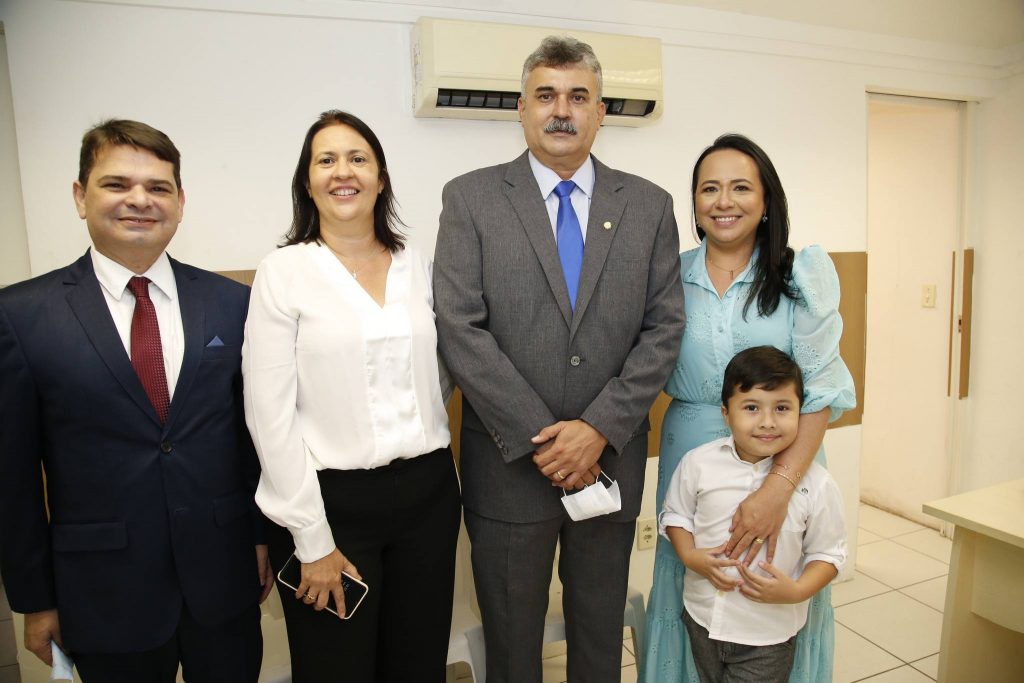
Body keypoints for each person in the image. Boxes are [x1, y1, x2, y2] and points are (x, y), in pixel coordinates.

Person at [433, 35, 686, 683]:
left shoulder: (650, 206)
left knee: (599, 634)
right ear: (521, 108)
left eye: (578, 96)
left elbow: (664, 327)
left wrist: (598, 429)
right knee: (512, 643)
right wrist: (545, 439)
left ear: (601, 111)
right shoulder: (471, 199)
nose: (561, 110)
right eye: (546, 95)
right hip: (509, 464)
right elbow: (461, 328)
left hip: (611, 462)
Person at [0, 119, 270, 682]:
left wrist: (262, 539)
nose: (139, 200)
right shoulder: (21, 316)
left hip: (223, 583)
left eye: (159, 187)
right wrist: (34, 599)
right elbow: (13, 476)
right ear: (80, 196)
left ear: (180, 201)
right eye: (117, 184)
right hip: (101, 592)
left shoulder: (233, 304)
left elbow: (253, 437)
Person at [242, 110, 460, 682]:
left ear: (381, 177)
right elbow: (269, 414)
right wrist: (311, 540)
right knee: (336, 668)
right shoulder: (283, 272)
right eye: (327, 160)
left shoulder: (419, 264)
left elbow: (439, 374)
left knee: (418, 665)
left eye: (358, 158)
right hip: (330, 506)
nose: (345, 172)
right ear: (307, 181)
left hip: (428, 494)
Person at [640, 133, 856, 682]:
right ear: (693, 202)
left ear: (766, 201)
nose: (723, 201)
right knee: (696, 585)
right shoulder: (665, 275)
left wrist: (778, 488)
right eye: (709, 188)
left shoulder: (798, 276)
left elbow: (822, 393)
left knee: (769, 584)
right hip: (689, 448)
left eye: (740, 187)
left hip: (784, 455)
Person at [661, 346, 847, 683]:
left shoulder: (817, 484)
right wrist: (689, 556)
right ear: (725, 413)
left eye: (782, 408)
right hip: (702, 617)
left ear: (799, 412)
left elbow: (829, 553)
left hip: (767, 634)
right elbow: (676, 515)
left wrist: (798, 591)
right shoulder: (698, 463)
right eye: (751, 408)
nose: (767, 422)